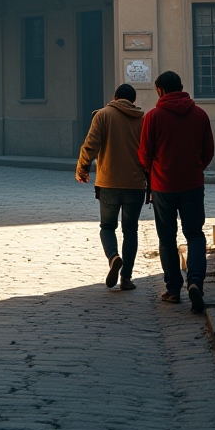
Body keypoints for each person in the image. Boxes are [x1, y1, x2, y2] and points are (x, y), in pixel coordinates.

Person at [137, 70, 215, 312]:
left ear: (160, 90)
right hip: (192, 184)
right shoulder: (199, 114)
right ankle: (196, 281)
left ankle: (173, 289)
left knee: (167, 237)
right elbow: (208, 150)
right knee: (195, 234)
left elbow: (144, 154)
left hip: (163, 186)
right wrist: (196, 168)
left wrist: (152, 170)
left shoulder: (153, 116)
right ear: (181, 87)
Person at [76, 82, 148, 291]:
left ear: (115, 97)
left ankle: (113, 257)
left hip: (108, 183)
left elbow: (91, 145)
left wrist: (82, 167)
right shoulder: (142, 119)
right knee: (131, 231)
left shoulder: (103, 115)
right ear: (133, 101)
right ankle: (126, 278)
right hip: (135, 184)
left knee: (107, 227)